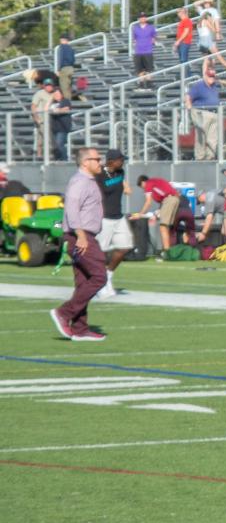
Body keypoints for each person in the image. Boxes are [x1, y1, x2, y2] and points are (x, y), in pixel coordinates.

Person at [51, 147, 108, 341]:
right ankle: (64, 313)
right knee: (100, 276)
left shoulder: (89, 181)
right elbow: (71, 209)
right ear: (85, 162)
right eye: (97, 159)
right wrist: (80, 235)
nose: (100, 162)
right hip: (80, 237)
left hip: (82, 235)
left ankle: (80, 328)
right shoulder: (79, 182)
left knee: (84, 281)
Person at [95, 149, 134, 297]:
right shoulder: (99, 175)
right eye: (120, 159)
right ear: (111, 161)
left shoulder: (121, 172)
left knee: (125, 247)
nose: (123, 162)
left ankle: (108, 274)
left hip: (119, 216)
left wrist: (124, 184)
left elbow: (120, 183)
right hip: (104, 217)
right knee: (102, 252)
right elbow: (105, 188)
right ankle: (100, 283)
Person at [135, 175, 186, 250]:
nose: (143, 189)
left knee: (163, 226)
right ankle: (172, 247)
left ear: (143, 182)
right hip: (176, 200)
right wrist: (157, 212)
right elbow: (164, 199)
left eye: (141, 186)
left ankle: (166, 252)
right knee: (170, 227)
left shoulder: (148, 184)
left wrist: (140, 214)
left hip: (170, 200)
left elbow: (148, 202)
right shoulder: (156, 182)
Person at [185, 68, 221, 160]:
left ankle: (210, 157)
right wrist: (189, 107)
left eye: (213, 76)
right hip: (201, 112)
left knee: (213, 138)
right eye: (210, 76)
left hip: (214, 113)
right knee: (201, 136)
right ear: (205, 76)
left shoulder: (214, 86)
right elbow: (188, 96)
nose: (211, 78)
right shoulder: (199, 85)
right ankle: (200, 158)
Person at [195, 0, 226, 72]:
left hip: (201, 42)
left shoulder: (199, 23)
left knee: (206, 61)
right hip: (208, 40)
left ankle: (206, 74)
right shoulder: (206, 21)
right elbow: (213, 29)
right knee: (219, 57)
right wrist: (218, 33)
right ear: (208, 17)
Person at [47, 84, 73, 161]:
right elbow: (46, 109)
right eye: (55, 94)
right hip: (54, 128)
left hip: (63, 127)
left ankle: (65, 159)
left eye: (58, 93)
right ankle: (59, 159)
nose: (57, 95)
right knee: (55, 146)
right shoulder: (52, 103)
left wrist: (56, 110)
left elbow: (66, 109)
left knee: (60, 144)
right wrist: (50, 99)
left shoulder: (65, 101)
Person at [31, 78, 55, 159]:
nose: (49, 87)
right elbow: (33, 106)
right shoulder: (40, 93)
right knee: (44, 139)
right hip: (41, 119)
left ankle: (45, 156)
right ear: (44, 86)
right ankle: (42, 156)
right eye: (47, 85)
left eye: (50, 85)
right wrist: (36, 117)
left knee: (43, 138)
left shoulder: (54, 94)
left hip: (51, 120)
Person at [130, 11, 158, 82]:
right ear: (138, 19)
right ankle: (142, 84)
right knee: (140, 70)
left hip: (148, 51)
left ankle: (149, 84)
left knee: (149, 70)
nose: (143, 18)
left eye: (144, 17)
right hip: (138, 52)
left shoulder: (151, 27)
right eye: (141, 17)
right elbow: (134, 39)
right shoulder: (135, 28)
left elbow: (154, 37)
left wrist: (153, 41)